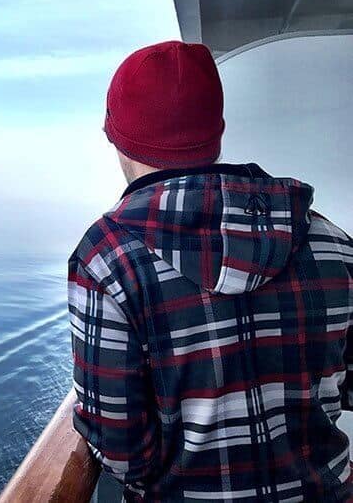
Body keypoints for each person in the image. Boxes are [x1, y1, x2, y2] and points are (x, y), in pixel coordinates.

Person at [68, 40, 353, 502]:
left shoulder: (106, 258)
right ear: (216, 134)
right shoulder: (331, 241)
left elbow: (119, 448)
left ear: (116, 137)